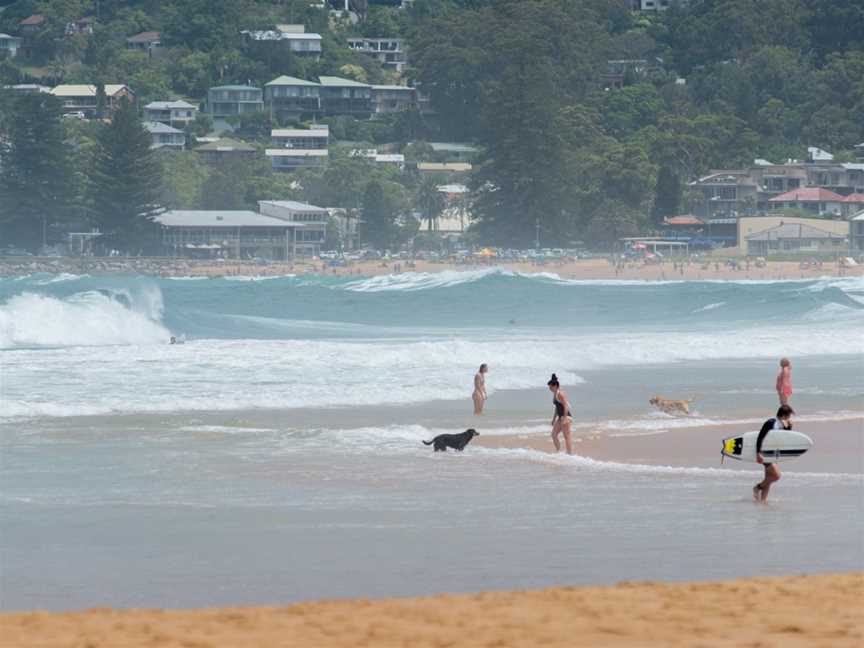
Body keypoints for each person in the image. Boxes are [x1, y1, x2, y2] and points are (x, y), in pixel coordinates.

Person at [753, 405, 794, 502]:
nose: (789, 418)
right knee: (776, 476)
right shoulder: (771, 423)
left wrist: (789, 428)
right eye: (789, 416)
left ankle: (762, 501)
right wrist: (758, 453)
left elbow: (782, 439)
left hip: (773, 454)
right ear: (784, 415)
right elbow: (760, 437)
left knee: (768, 478)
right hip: (764, 454)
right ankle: (757, 488)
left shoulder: (781, 424)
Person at [547, 373, 573, 455]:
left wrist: (564, 418)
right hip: (560, 418)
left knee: (567, 437)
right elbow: (556, 408)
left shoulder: (560, 393)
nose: (549, 388)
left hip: (566, 417)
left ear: (554, 386)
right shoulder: (555, 394)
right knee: (553, 434)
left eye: (550, 386)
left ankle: (569, 455)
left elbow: (566, 406)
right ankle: (559, 452)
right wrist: (553, 419)